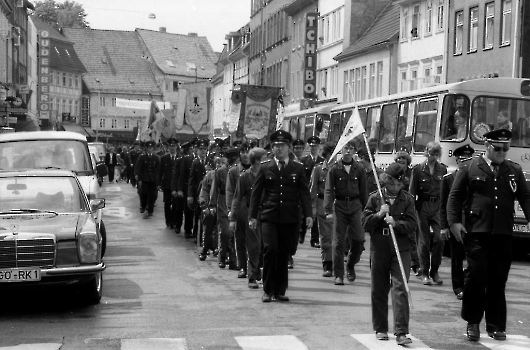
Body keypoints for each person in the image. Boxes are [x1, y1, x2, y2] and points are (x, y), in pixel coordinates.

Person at [448, 129, 530, 342]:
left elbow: (525, 198)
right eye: (498, 148)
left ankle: (496, 325)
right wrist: (454, 222)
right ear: (487, 145)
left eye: (506, 148)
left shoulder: (514, 170)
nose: (503, 152)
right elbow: (455, 197)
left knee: (498, 280)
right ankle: (473, 322)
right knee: (476, 277)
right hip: (477, 232)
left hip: (502, 233)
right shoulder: (470, 167)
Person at [249, 130, 312, 302]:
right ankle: (268, 290)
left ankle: (280, 290)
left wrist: (308, 215)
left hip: (290, 217)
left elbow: (304, 194)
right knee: (270, 250)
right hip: (269, 216)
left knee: (285, 252)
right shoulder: (265, 166)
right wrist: (252, 216)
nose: (278, 149)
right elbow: (256, 193)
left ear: (289, 147)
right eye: (276, 146)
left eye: (282, 146)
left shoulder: (297, 168)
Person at [361, 162, 416, 346]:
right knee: (379, 287)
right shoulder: (375, 198)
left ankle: (401, 331)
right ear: (386, 181)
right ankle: (381, 328)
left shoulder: (407, 199)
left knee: (400, 288)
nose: (397, 187)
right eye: (393, 184)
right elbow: (365, 223)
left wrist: (397, 224)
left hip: (400, 247)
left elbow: (412, 225)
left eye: (400, 184)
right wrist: (378, 215)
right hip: (380, 246)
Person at [324, 140, 368, 286]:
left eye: (351, 148)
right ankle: (339, 274)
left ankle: (350, 263)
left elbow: (363, 191)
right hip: (340, 206)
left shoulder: (359, 169)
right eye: (345, 148)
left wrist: (366, 210)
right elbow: (329, 191)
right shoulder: (334, 168)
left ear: (355, 151)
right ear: (341, 151)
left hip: (355, 205)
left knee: (359, 239)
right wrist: (328, 211)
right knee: (338, 242)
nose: (348, 151)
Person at [440, 143, 475, 301]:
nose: (465, 162)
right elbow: (443, 205)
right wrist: (444, 226)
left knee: (473, 256)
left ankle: (470, 285)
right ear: (457, 160)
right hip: (455, 222)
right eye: (462, 159)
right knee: (457, 256)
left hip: (472, 222)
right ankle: (458, 286)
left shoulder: (476, 176)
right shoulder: (448, 179)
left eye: (468, 159)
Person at [409, 141, 447, 285]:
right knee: (424, 242)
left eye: (436, 154)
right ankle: (424, 272)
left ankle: (435, 271)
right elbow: (412, 192)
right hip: (423, 206)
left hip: (437, 206)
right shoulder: (418, 169)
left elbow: (444, 191)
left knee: (439, 238)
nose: (433, 157)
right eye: (431, 154)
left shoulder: (442, 169)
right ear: (427, 152)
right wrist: (411, 211)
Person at [229, 147, 268, 289]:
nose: (267, 160)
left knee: (265, 246)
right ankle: (252, 277)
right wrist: (233, 218)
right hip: (251, 214)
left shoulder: (268, 174)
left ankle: (259, 272)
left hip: (267, 212)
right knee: (253, 246)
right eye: (264, 158)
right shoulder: (244, 177)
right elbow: (237, 197)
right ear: (257, 161)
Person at [226, 143, 252, 277]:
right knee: (240, 239)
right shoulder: (234, 171)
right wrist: (231, 212)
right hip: (239, 209)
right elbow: (230, 192)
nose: (245, 154)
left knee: (254, 241)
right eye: (243, 151)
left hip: (254, 208)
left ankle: (254, 266)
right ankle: (242, 266)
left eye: (248, 151)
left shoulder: (258, 169)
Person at [210, 148, 239, 270]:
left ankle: (233, 260)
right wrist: (212, 205)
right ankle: (222, 257)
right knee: (226, 232)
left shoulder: (239, 171)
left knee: (234, 233)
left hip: (236, 201)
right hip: (222, 202)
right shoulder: (220, 171)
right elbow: (214, 188)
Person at [309, 141, 335, 277]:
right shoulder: (318, 169)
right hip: (322, 205)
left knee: (338, 238)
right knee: (325, 238)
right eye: (332, 154)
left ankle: (339, 264)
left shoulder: (340, 169)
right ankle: (327, 264)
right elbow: (312, 190)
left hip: (339, 207)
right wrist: (312, 208)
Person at [300, 136, 324, 247]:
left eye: (315, 146)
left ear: (319, 147)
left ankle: (314, 239)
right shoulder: (303, 160)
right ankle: (301, 234)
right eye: (312, 146)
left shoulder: (322, 161)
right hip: (305, 191)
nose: (313, 148)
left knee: (315, 215)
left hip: (317, 192)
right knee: (304, 213)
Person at [187, 139, 210, 242]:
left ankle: (207, 238)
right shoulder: (195, 162)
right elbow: (191, 180)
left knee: (208, 216)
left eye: (204, 149)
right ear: (197, 150)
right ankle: (197, 235)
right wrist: (190, 195)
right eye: (201, 149)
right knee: (197, 215)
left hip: (209, 193)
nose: (203, 151)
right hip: (198, 193)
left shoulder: (211, 161)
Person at [171, 141, 193, 234]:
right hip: (182, 187)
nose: (191, 151)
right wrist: (176, 189)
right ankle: (178, 225)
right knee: (179, 208)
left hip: (189, 188)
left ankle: (188, 230)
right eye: (190, 150)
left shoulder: (193, 160)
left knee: (189, 211)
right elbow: (176, 176)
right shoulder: (179, 161)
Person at [134, 140, 160, 216]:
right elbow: (139, 168)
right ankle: (143, 205)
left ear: (153, 148)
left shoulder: (156, 158)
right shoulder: (142, 157)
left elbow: (158, 169)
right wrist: (139, 179)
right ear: (146, 148)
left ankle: (150, 210)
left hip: (153, 179)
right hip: (144, 179)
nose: (150, 149)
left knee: (153, 194)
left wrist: (158, 179)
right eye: (149, 147)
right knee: (143, 193)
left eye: (151, 147)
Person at [158, 138, 179, 228]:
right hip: (166, 184)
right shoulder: (164, 158)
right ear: (168, 147)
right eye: (170, 146)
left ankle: (174, 220)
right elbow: (160, 172)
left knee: (176, 204)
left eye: (174, 146)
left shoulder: (180, 157)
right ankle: (168, 220)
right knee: (167, 203)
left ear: (176, 147)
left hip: (177, 185)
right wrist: (158, 184)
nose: (172, 148)